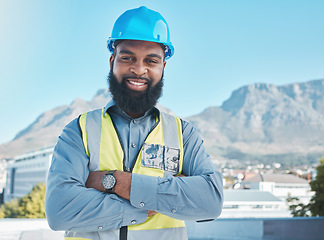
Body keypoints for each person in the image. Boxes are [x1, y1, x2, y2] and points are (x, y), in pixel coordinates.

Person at [45, 6, 223, 240]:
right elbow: (59, 210)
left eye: (151, 60)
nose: (139, 69)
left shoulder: (183, 134)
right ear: (112, 61)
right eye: (128, 57)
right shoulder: (79, 131)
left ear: (163, 67)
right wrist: (154, 198)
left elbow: (210, 202)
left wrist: (113, 181)